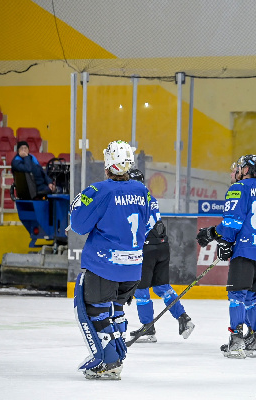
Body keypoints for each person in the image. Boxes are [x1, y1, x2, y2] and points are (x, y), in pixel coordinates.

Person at [69, 140, 152, 380]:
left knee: (95, 310)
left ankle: (109, 361)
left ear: (108, 164)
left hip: (105, 266)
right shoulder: (142, 190)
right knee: (115, 310)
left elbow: (78, 224)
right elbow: (145, 223)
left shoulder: (100, 191)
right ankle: (117, 355)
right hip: (133, 268)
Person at [196, 154, 256, 359]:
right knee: (253, 296)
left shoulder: (239, 188)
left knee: (237, 296)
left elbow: (232, 222)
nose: (234, 171)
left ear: (245, 170)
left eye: (238, 168)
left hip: (246, 248)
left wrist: (220, 238)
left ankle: (237, 340)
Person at [126, 168, 195, 343]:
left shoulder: (132, 200)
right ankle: (184, 318)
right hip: (162, 246)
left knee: (141, 289)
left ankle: (148, 330)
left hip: (147, 248)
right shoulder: (151, 197)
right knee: (161, 287)